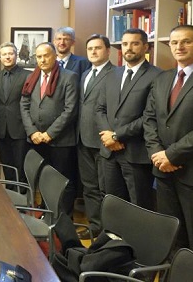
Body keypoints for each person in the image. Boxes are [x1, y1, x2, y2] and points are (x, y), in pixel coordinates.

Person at [96, 28, 160, 211]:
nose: (129, 48)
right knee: (113, 204)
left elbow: (149, 116)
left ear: (146, 47)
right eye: (125, 44)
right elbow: (99, 109)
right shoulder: (112, 74)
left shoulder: (157, 76)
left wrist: (117, 135)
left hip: (135, 153)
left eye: (135, 43)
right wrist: (108, 137)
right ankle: (116, 231)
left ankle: (139, 233)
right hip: (109, 152)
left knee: (139, 206)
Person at [144, 25, 193, 250]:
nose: (179, 46)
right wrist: (157, 153)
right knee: (171, 233)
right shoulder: (163, 78)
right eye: (174, 42)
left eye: (186, 41)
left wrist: (172, 155)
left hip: (191, 171)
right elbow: (149, 119)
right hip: (162, 170)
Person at [20, 42, 78, 215]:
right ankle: (46, 214)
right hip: (36, 139)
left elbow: (70, 110)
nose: (42, 60)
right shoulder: (32, 77)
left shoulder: (69, 77)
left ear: (55, 56)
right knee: (42, 180)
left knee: (61, 181)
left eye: (46, 55)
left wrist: (50, 133)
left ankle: (62, 219)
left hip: (60, 141)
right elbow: (24, 105)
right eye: (39, 56)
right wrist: (32, 132)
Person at [76, 34, 115, 239]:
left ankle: (108, 232)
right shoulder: (85, 74)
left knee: (105, 189)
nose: (93, 52)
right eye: (90, 48)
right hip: (83, 139)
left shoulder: (115, 74)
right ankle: (95, 227)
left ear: (108, 50)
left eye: (98, 48)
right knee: (89, 187)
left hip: (103, 140)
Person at [0, 42, 31, 183]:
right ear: (0, 58)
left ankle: (22, 194)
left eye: (10, 53)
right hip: (1, 130)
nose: (7, 57)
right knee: (6, 166)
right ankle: (9, 193)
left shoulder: (28, 75)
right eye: (4, 54)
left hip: (20, 129)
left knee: (21, 167)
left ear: (16, 55)